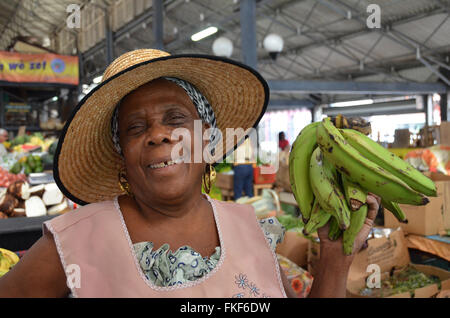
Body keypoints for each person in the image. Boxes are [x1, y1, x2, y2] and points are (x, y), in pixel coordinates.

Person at [0, 49, 380, 298]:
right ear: (121, 157)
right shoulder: (75, 239)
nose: (158, 135)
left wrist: (334, 256)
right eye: (135, 128)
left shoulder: (250, 229)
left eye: (176, 119)